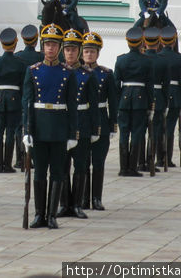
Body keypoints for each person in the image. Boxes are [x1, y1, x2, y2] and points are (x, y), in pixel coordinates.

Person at [21, 24, 78, 229]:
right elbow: (27, 103)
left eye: (54, 45)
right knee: (39, 173)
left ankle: (52, 215)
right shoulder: (33, 71)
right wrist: (26, 131)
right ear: (42, 47)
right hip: (39, 128)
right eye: (47, 45)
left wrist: (73, 133)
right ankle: (39, 214)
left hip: (59, 129)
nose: (51, 49)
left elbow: (72, 105)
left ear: (60, 47)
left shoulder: (67, 73)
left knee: (57, 173)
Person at [56, 29, 98, 220]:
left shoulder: (88, 74)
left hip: (82, 123)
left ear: (79, 51)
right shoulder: (59, 72)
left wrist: (95, 128)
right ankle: (64, 204)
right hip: (63, 124)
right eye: (67, 50)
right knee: (62, 166)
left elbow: (94, 105)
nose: (70, 53)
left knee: (81, 166)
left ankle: (78, 204)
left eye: (73, 50)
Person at [81, 31, 117, 210]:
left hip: (101, 120)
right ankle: (83, 197)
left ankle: (96, 198)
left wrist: (112, 125)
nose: (89, 54)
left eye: (92, 51)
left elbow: (113, 101)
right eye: (86, 51)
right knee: (83, 162)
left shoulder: (106, 74)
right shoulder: (76, 74)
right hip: (84, 120)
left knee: (98, 162)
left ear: (98, 53)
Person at [0, 28, 28, 173]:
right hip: (14, 101)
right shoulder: (21, 63)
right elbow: (24, 87)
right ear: (15, 44)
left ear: (2, 44)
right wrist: (23, 104)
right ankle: (7, 164)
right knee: (10, 132)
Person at [114, 27, 154, 177]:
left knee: (124, 132)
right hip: (140, 99)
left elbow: (116, 83)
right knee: (137, 132)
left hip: (124, 98)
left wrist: (118, 102)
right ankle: (132, 167)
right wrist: (151, 104)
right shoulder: (147, 61)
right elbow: (149, 85)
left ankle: (123, 168)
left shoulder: (121, 59)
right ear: (141, 42)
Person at [13, 24, 42, 168]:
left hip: (20, 96)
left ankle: (20, 158)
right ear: (36, 40)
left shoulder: (17, 56)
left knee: (20, 127)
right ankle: (33, 157)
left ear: (24, 40)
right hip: (37, 98)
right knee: (34, 127)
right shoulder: (40, 57)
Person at [158, 26, 181, 168]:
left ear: (161, 42)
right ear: (173, 42)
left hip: (159, 95)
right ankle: (167, 159)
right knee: (170, 127)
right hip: (174, 95)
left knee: (158, 127)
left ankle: (158, 158)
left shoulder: (157, 57)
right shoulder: (179, 58)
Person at [143, 27, 165, 171]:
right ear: (158, 44)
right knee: (155, 130)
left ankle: (140, 160)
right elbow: (166, 83)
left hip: (142, 97)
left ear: (144, 43)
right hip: (158, 97)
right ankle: (151, 158)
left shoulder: (142, 58)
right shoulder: (162, 61)